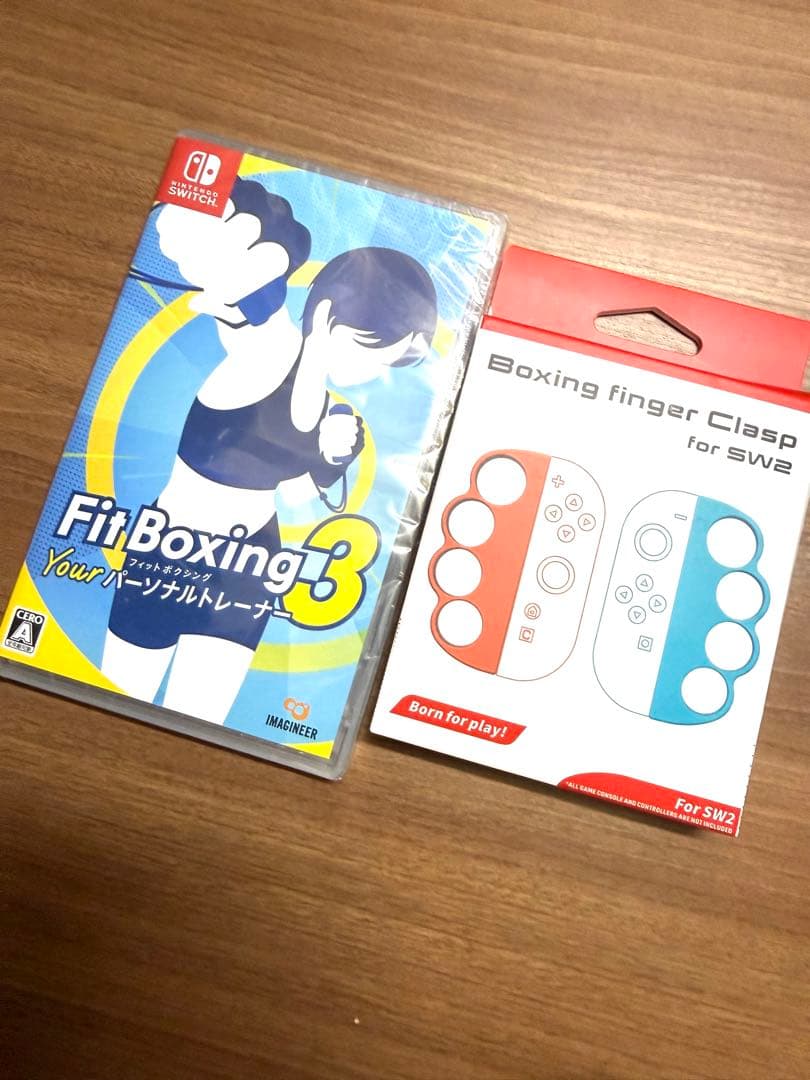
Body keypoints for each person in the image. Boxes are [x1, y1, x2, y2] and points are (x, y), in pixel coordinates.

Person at [102, 188, 438, 725]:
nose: (372, 373)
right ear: (325, 315)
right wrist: (242, 236)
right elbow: (253, 304)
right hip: (170, 548)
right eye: (372, 351)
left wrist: (333, 458)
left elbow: (305, 496)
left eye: (388, 365)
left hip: (252, 565)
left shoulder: (331, 411)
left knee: (197, 723)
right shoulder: (270, 349)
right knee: (111, 703)